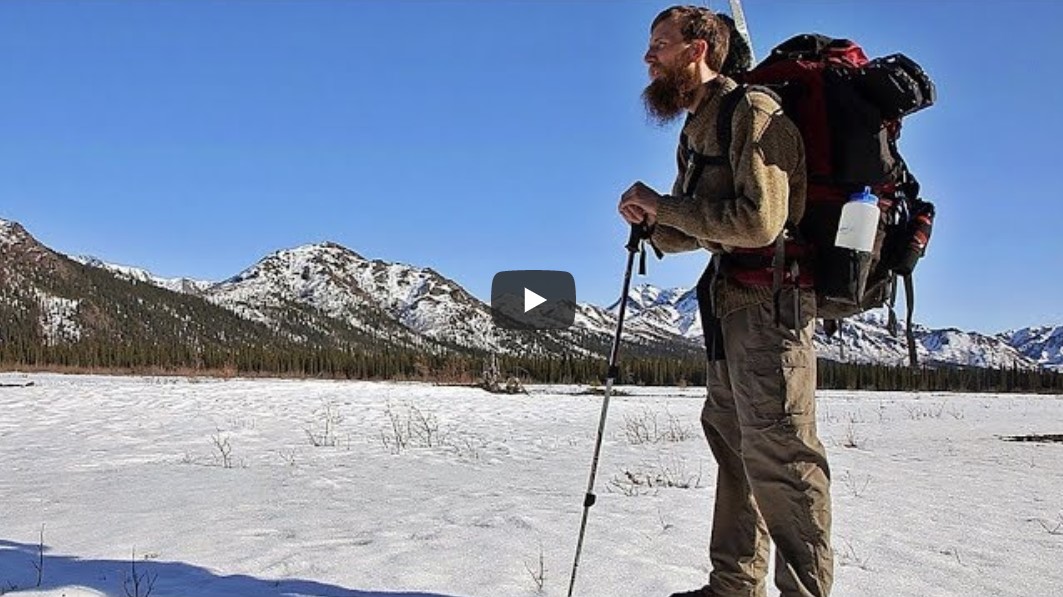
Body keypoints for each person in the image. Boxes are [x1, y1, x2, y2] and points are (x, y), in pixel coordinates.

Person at [617, 6, 833, 597]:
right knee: (735, 449)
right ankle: (734, 587)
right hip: (728, 305)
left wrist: (666, 209)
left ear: (698, 49)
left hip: (771, 308)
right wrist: (657, 222)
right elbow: (706, 224)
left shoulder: (752, 112)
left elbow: (761, 221)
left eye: (659, 44)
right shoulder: (697, 126)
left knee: (781, 456)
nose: (647, 57)